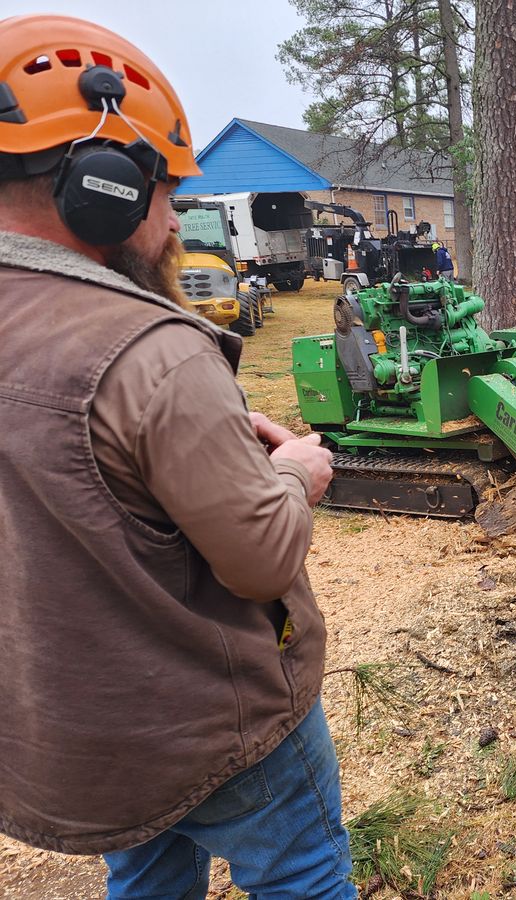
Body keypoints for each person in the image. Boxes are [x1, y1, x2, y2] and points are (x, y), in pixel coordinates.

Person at [0, 16, 356, 899]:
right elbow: (260, 556)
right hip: (208, 722)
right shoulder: (148, 348)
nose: (171, 221)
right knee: (305, 876)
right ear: (104, 186)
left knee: (150, 880)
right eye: (167, 190)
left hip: (81, 734)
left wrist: (206, 439)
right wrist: (293, 476)